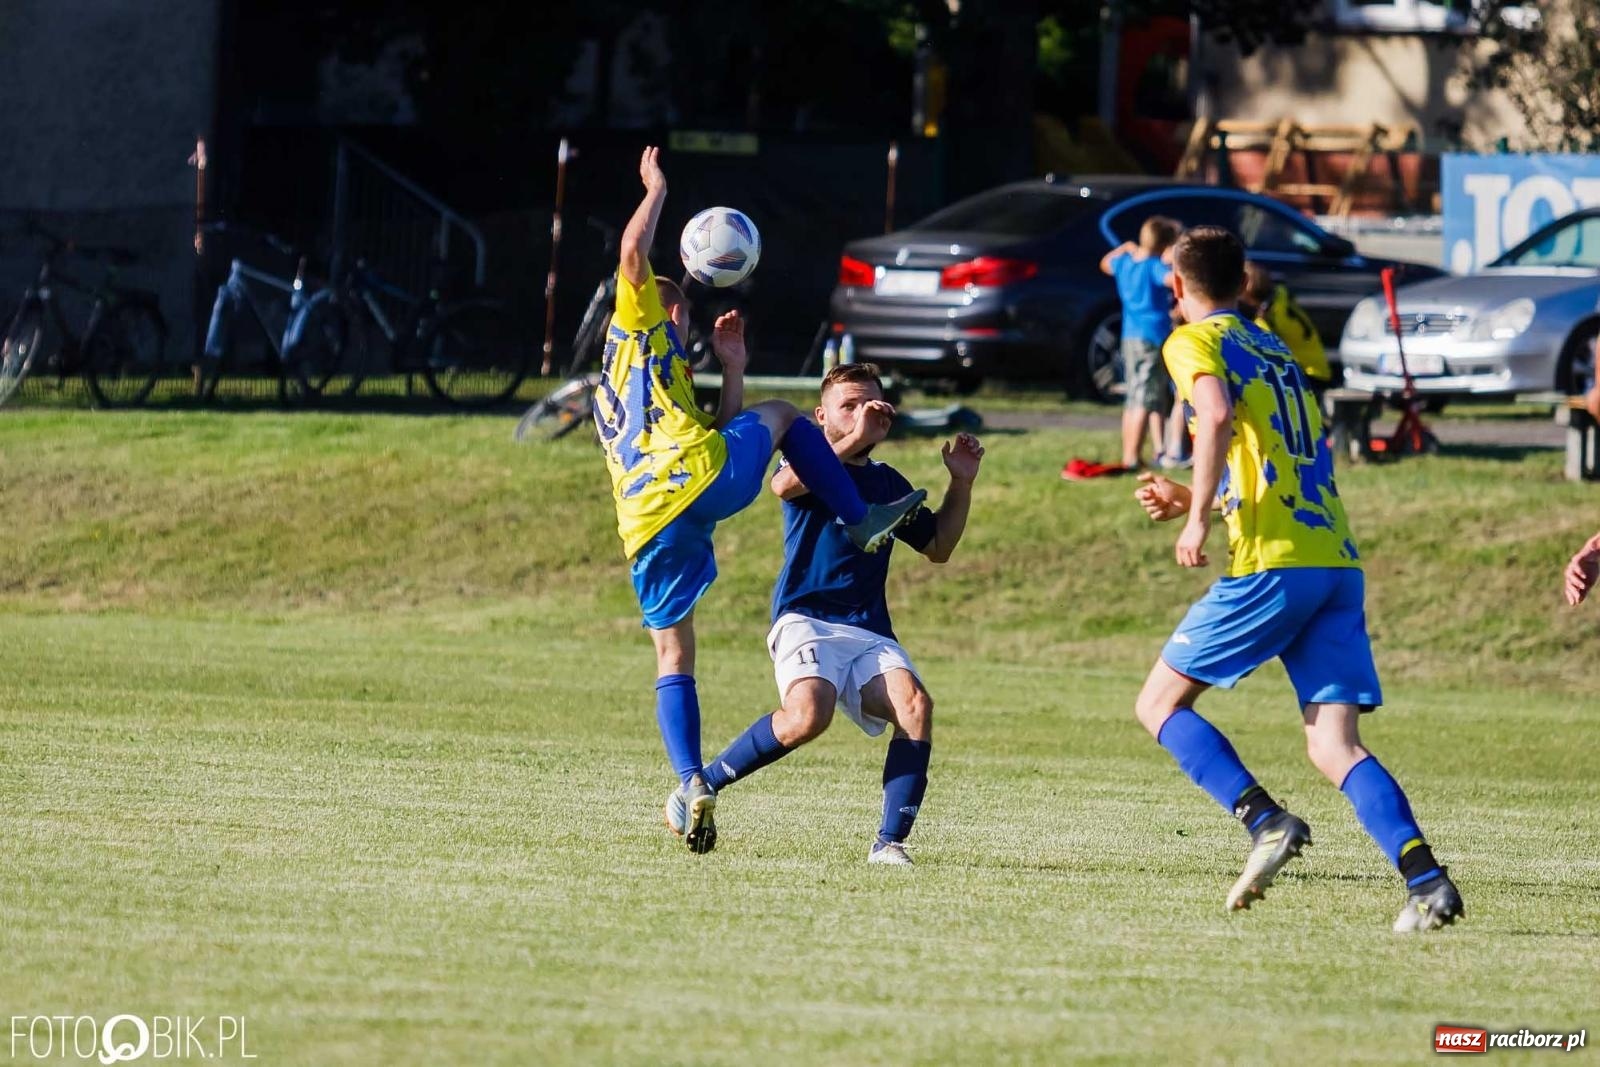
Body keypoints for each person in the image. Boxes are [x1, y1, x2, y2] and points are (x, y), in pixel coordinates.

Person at [1129, 225, 1463, 932]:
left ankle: (1266, 820)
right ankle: (1427, 882)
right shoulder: (1271, 344)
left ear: (1179, 287)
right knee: (1333, 745)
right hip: (1334, 560)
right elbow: (1274, 459)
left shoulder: (1194, 340)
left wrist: (1193, 527)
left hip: (1273, 562)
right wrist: (1192, 499)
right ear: (1243, 278)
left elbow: (1214, 414)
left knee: (1158, 704)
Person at [596, 147, 927, 855]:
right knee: (786, 415)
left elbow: (719, 436)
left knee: (672, 653)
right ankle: (858, 513)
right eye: (675, 304)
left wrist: (733, 370)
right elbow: (631, 250)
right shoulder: (639, 322)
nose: (680, 313)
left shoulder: (649, 377)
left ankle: (690, 781)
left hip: (647, 518)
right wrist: (655, 190)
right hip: (692, 481)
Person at [699, 363, 983, 865]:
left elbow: (938, 546)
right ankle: (707, 782)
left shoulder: (889, 482)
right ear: (821, 415)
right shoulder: (810, 458)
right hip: (806, 618)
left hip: (868, 628)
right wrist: (854, 437)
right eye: (848, 405)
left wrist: (960, 483)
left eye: (871, 404)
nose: (861, 413)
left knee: (915, 707)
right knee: (808, 716)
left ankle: (889, 844)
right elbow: (783, 486)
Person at [1100, 216, 1182, 471]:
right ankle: (1132, 457)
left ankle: (1130, 451)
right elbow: (1173, 281)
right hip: (1153, 336)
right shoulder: (1154, 266)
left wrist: (1123, 248)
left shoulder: (1125, 263)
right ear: (1164, 245)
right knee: (1145, 397)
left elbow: (1105, 264)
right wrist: (1174, 261)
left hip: (1130, 335)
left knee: (1134, 394)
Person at [1240, 262, 1332, 397]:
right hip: (1315, 369)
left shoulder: (1271, 316)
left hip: (1308, 374)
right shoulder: (1281, 298)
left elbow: (1262, 346)